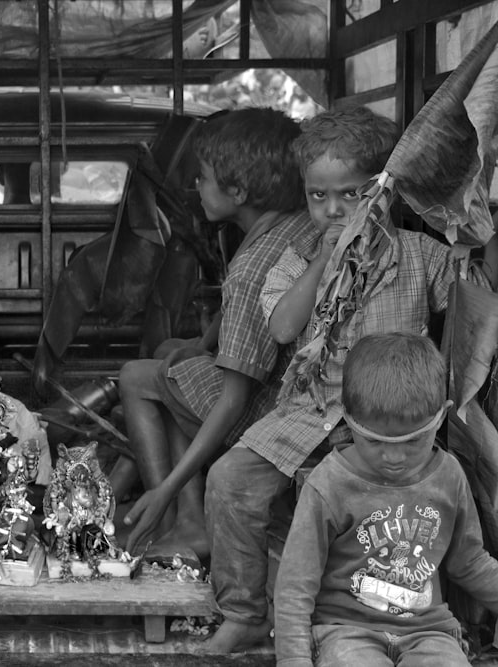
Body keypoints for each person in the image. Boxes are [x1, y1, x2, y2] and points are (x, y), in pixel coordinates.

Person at [203, 106, 454, 653]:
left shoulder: (421, 257)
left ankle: (350, 622)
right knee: (229, 480)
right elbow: (284, 325)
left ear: (384, 192)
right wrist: (326, 258)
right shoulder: (297, 259)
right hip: (308, 415)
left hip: (385, 425)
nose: (334, 209)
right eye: (318, 197)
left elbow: (470, 298)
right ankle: (244, 611)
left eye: (351, 195)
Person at [118, 108, 312, 559]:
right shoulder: (295, 221)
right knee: (171, 354)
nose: (196, 188)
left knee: (134, 377)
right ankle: (184, 520)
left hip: (263, 412)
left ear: (239, 191)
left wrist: (167, 486)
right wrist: (199, 347)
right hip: (287, 390)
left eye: (203, 179)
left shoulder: (249, 270)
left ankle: (181, 520)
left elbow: (232, 401)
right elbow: (235, 312)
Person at [274, 333, 498, 667]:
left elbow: (468, 561)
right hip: (344, 632)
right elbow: (295, 585)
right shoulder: (330, 483)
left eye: (413, 441)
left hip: (429, 633)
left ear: (442, 415)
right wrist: (294, 660)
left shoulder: (448, 475)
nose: (394, 457)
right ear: (347, 418)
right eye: (375, 441)